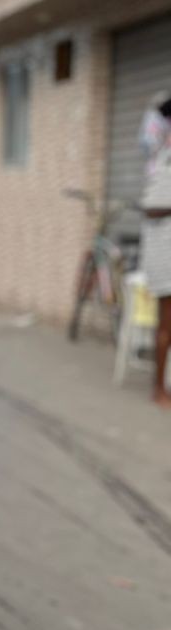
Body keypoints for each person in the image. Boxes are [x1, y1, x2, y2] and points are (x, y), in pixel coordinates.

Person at [139, 95, 171, 407]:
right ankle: (158, 389)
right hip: (166, 258)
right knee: (166, 325)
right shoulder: (164, 161)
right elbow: (151, 208)